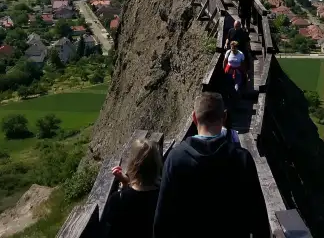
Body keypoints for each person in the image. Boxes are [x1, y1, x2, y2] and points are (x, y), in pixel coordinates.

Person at [153, 92, 270, 238]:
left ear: (194, 118)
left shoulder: (175, 159)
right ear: (225, 117)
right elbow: (259, 220)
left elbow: (162, 221)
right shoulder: (241, 159)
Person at [101, 138, 162, 238]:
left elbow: (110, 230)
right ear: (157, 165)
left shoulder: (118, 199)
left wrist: (124, 186)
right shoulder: (165, 196)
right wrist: (127, 183)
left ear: (132, 165)